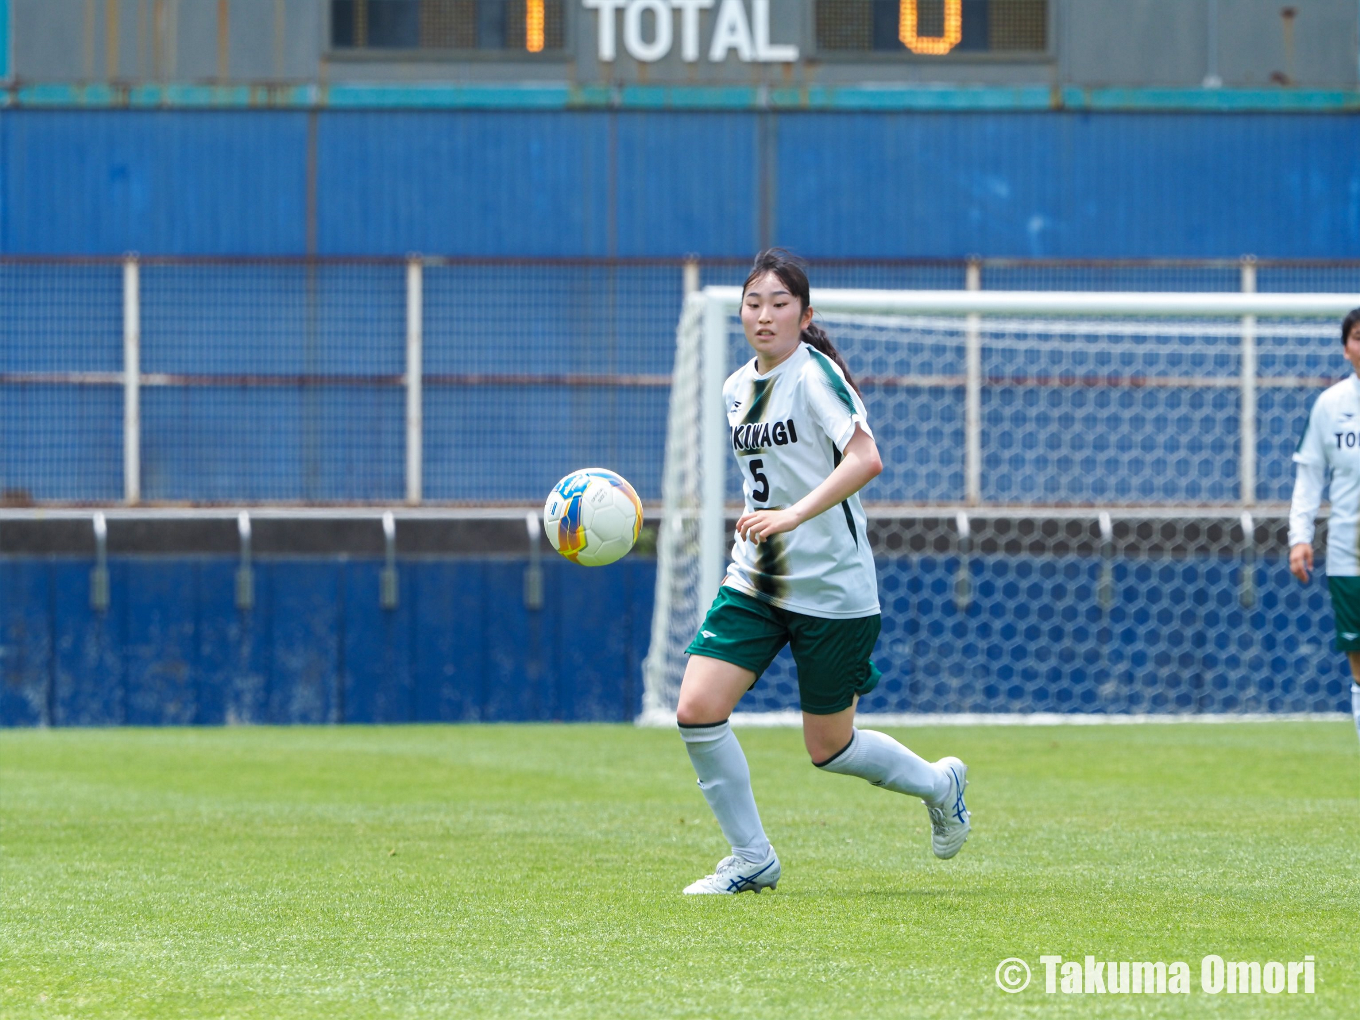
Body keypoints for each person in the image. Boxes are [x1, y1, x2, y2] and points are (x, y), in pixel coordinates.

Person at [675, 249, 970, 895]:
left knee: (829, 748)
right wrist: (769, 522)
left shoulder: (816, 375)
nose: (765, 315)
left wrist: (791, 516)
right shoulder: (733, 388)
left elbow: (867, 459)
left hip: (833, 590)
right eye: (754, 303)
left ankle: (939, 784)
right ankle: (751, 859)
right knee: (697, 708)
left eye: (780, 304)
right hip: (756, 581)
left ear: (805, 316)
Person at [1289, 306, 1360, 749]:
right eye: (1358, 336)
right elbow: (1309, 476)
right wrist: (1299, 536)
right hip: (1349, 553)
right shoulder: (1331, 405)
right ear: (1345, 347)